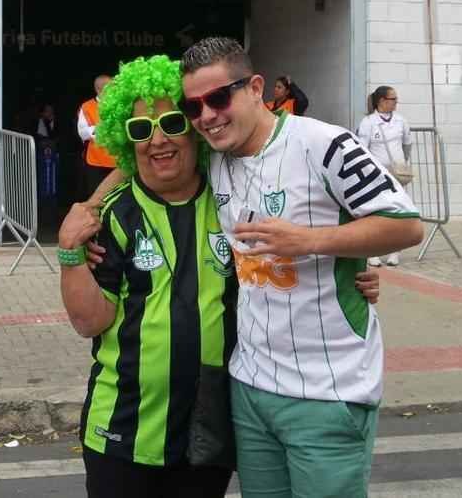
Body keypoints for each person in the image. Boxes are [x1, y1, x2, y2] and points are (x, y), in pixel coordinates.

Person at [84, 38, 413, 498]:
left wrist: (314, 242)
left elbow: (405, 225)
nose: (208, 115)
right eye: (194, 107)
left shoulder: (324, 143)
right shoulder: (217, 156)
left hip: (326, 389)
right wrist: (86, 210)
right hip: (248, 390)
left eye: (219, 98)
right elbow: (141, 153)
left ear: (256, 87)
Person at [57, 55, 237, 497]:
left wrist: (350, 275)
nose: (158, 141)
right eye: (140, 130)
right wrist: (68, 251)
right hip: (122, 429)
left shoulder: (233, 197)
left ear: (194, 128)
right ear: (125, 140)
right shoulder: (114, 215)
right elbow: (89, 322)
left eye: (172, 123)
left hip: (209, 427)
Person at [357, 85, 413, 267]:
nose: (396, 102)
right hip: (376, 174)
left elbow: (407, 144)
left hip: (396, 173)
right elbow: (362, 149)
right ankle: (372, 252)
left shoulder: (401, 121)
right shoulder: (368, 122)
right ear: (382, 101)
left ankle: (394, 251)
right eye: (393, 99)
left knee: (397, 211)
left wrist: (402, 163)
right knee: (375, 213)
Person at [78, 75, 117, 198]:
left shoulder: (118, 105)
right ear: (99, 90)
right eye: (110, 88)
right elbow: (82, 133)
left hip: (118, 162)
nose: (114, 90)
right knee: (97, 197)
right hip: (96, 162)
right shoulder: (87, 106)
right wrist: (101, 129)